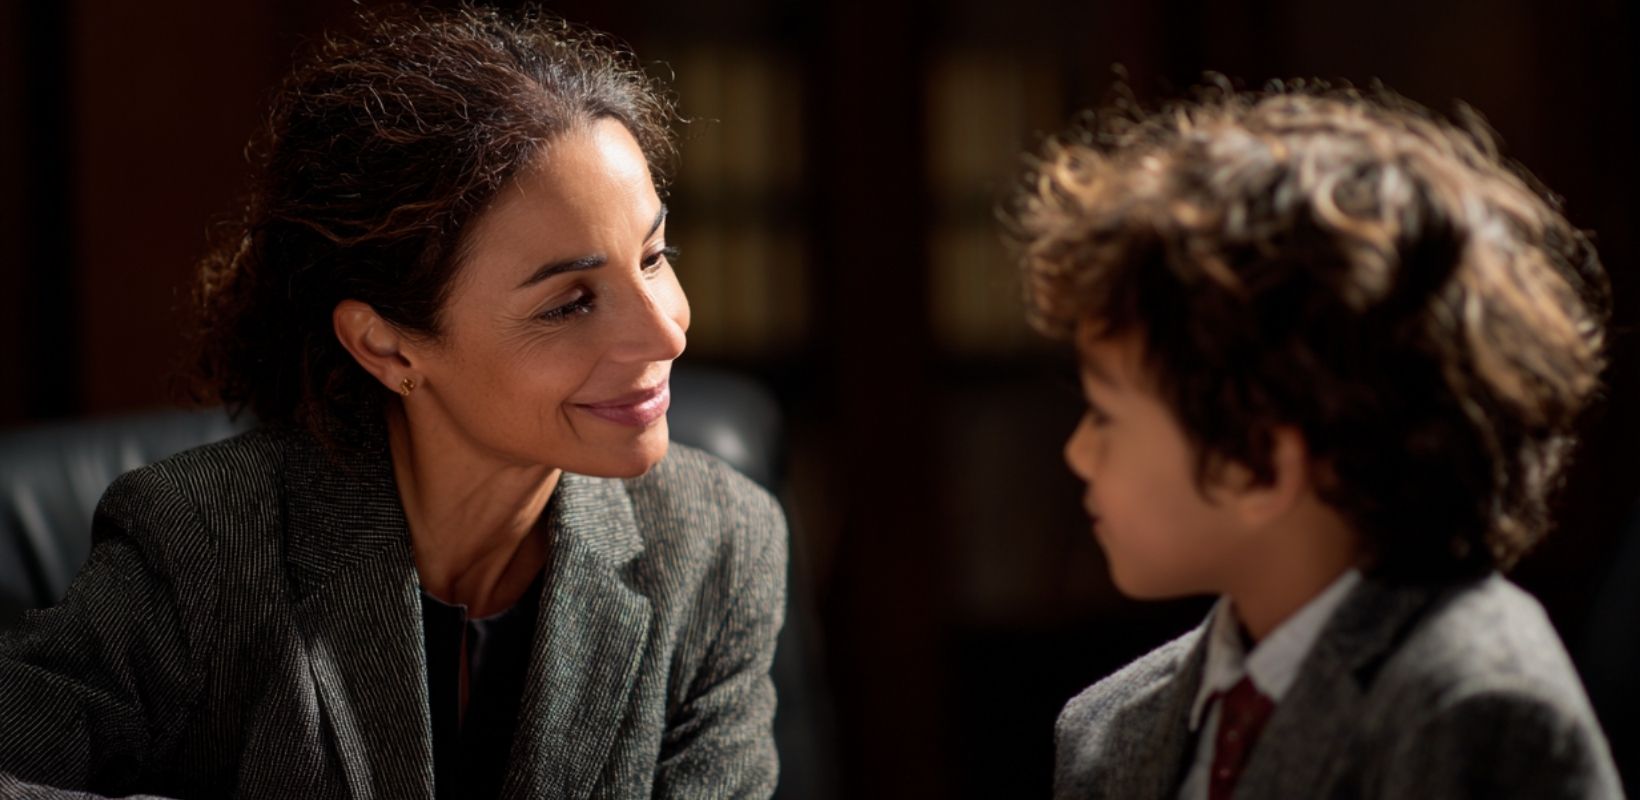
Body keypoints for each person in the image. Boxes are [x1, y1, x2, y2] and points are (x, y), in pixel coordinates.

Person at [0, 6, 786, 799]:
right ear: (389, 347)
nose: (666, 332)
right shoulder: (203, 543)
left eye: (654, 257)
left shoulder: (717, 545)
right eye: (569, 303)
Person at [1008, 80, 1625, 798]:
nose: (1078, 452)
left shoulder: (1474, 706)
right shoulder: (1110, 728)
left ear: (1260, 461)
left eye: (1106, 415)